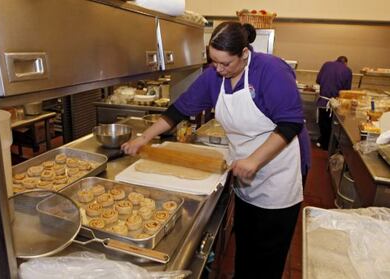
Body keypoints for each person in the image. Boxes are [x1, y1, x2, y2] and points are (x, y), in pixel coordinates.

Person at [122, 21, 311, 278]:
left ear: (244, 53)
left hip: (277, 174)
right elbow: (180, 109)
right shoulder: (214, 76)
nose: (218, 69)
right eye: (214, 62)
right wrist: (143, 138)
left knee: (268, 254)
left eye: (226, 64)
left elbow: (291, 123)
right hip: (244, 172)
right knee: (245, 243)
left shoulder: (270, 70)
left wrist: (254, 160)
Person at [316, 56, 352, 150]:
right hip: (336, 103)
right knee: (333, 125)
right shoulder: (347, 70)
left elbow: (318, 80)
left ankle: (323, 143)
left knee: (323, 123)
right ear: (345, 63)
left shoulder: (326, 65)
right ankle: (330, 146)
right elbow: (346, 91)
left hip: (324, 101)